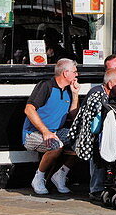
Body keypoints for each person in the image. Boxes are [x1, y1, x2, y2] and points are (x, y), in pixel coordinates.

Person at [23, 58, 80, 195]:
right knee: (56, 145)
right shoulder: (46, 86)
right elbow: (29, 109)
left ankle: (60, 175)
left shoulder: (68, 90)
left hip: (57, 131)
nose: (77, 75)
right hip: (33, 133)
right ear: (66, 73)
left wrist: (75, 94)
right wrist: (45, 132)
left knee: (83, 142)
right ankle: (38, 177)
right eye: (75, 72)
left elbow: (73, 116)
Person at [67, 68, 116, 198]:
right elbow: (91, 125)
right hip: (86, 137)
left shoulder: (109, 94)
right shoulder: (97, 94)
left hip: (99, 133)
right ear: (110, 84)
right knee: (100, 147)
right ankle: (96, 189)